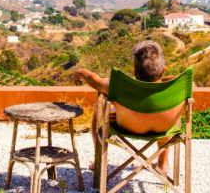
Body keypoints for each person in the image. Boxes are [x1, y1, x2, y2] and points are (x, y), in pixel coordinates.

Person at [73, 40, 182, 174]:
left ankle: (99, 161)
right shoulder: (180, 86)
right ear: (163, 69)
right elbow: (190, 83)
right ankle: (163, 163)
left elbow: (94, 81)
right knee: (166, 116)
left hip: (127, 125)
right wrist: (164, 81)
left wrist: (79, 72)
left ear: (135, 71)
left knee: (99, 105)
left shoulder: (118, 86)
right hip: (163, 126)